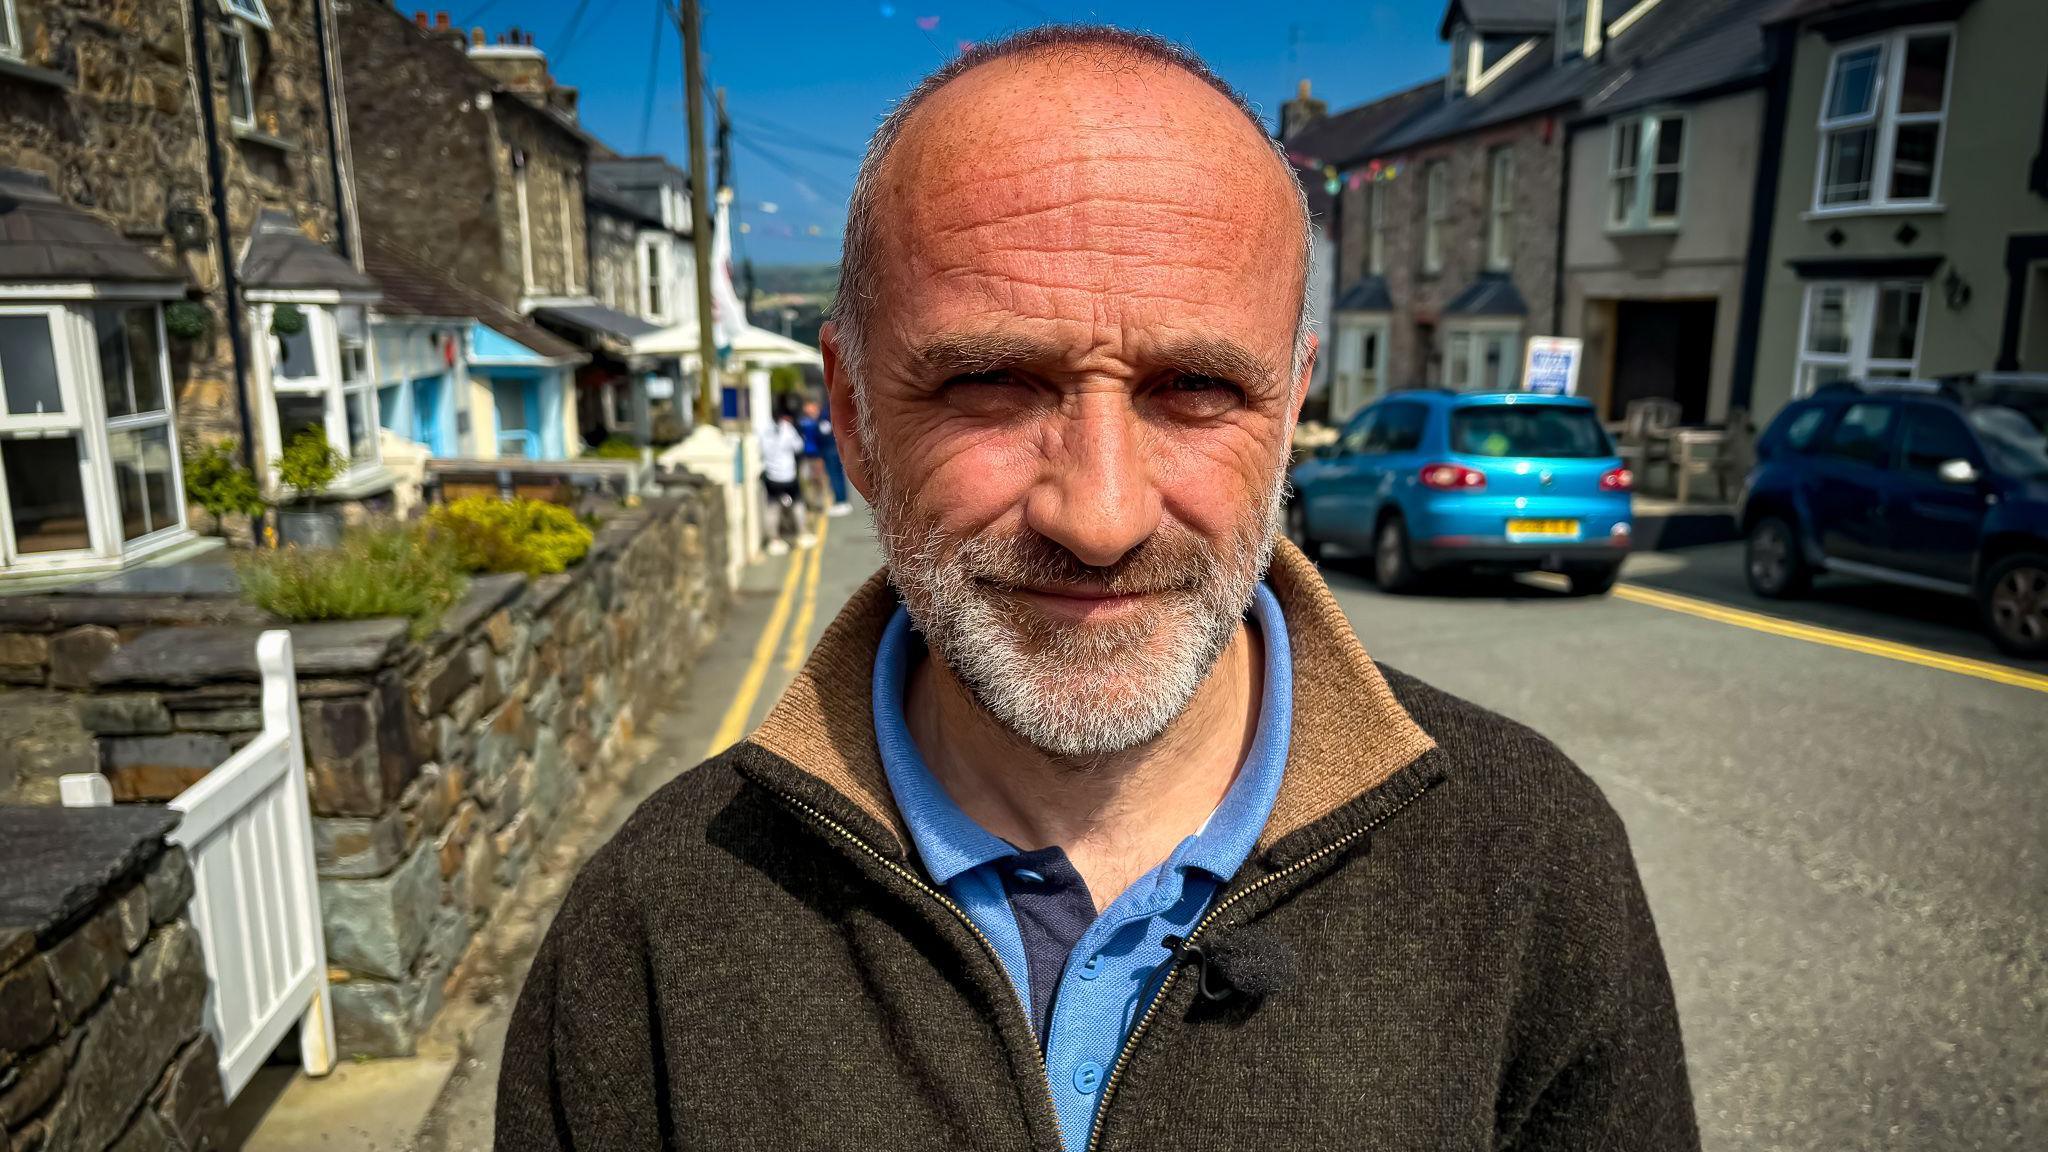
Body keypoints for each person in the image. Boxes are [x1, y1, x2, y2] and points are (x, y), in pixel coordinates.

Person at [498, 26, 1697, 1152]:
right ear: (852, 416)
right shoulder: (652, 924)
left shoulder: (1528, 858)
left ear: (1289, 408)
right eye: (990, 383)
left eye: (1193, 390)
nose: (1101, 516)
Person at [757, 394, 812, 555]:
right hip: (788, 475)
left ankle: (774, 540)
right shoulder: (787, 429)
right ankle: (801, 534)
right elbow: (798, 446)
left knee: (772, 508)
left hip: (772, 476)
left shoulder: (763, 430)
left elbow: (759, 450)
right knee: (798, 504)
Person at [819, 394, 853, 516]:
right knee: (839, 475)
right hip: (837, 447)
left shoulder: (826, 412)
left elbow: (823, 430)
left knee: (834, 476)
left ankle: (840, 501)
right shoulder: (838, 409)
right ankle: (842, 500)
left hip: (830, 448)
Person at [796, 397, 830, 512]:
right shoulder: (801, 422)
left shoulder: (819, 422)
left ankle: (819, 503)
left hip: (817, 456)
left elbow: (824, 439)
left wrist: (822, 457)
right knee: (806, 481)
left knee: (818, 480)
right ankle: (811, 504)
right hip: (804, 457)